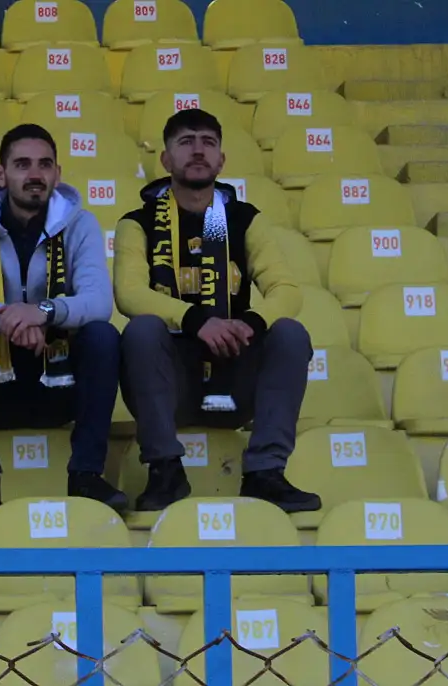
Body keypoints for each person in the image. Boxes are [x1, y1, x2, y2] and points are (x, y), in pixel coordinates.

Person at [113, 109, 322, 514]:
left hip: (234, 373)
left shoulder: (243, 219)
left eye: (208, 143)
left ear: (221, 160)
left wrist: (250, 322)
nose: (198, 151)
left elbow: (286, 290)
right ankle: (165, 470)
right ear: (166, 159)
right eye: (186, 142)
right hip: (170, 382)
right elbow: (129, 293)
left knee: (290, 334)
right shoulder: (138, 222)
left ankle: (265, 472)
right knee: (141, 331)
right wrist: (197, 321)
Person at [0, 124, 127, 515]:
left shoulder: (81, 224)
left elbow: (99, 301)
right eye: (22, 164)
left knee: (102, 335)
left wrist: (43, 312)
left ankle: (87, 475)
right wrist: (8, 318)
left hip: (58, 377)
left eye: (44, 164)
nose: (35, 174)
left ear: (57, 173)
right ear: (0, 174)